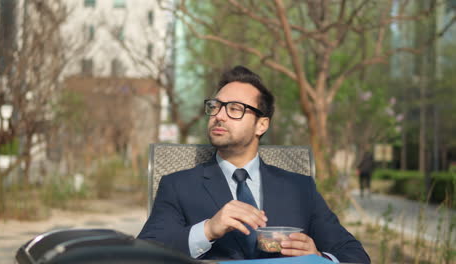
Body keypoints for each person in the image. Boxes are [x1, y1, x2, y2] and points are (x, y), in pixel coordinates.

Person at [138, 66, 370, 263]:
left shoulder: (300, 188)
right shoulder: (178, 185)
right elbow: (143, 254)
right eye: (215, 106)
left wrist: (317, 258)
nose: (219, 115)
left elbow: (355, 255)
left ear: (262, 125)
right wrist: (207, 229)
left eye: (235, 109)